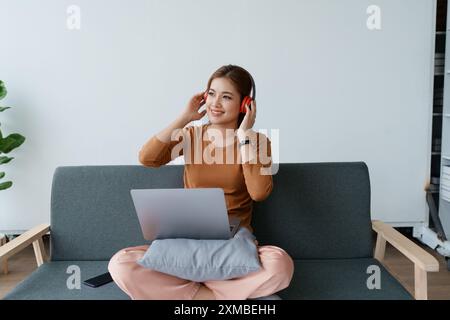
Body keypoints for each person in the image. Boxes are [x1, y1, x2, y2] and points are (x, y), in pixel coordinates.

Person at [108, 64, 294, 300]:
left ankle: (190, 293)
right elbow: (148, 158)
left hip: (233, 243)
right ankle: (218, 296)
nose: (215, 103)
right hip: (189, 239)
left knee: (280, 265)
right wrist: (185, 117)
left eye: (226, 97)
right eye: (212, 94)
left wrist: (244, 137)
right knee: (120, 264)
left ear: (245, 104)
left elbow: (259, 193)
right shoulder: (192, 135)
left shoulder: (258, 142)